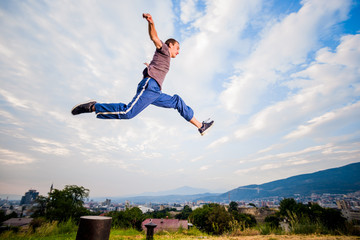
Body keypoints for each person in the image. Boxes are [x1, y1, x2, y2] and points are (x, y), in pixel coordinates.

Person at [71, 13, 214, 136]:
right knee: (128, 113)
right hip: (150, 87)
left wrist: (149, 67)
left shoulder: (165, 58)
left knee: (177, 102)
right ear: (170, 45)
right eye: (177, 48)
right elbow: (155, 38)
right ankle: (93, 107)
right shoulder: (164, 49)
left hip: (156, 92)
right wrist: (151, 23)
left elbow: (156, 63)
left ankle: (201, 126)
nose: (178, 51)